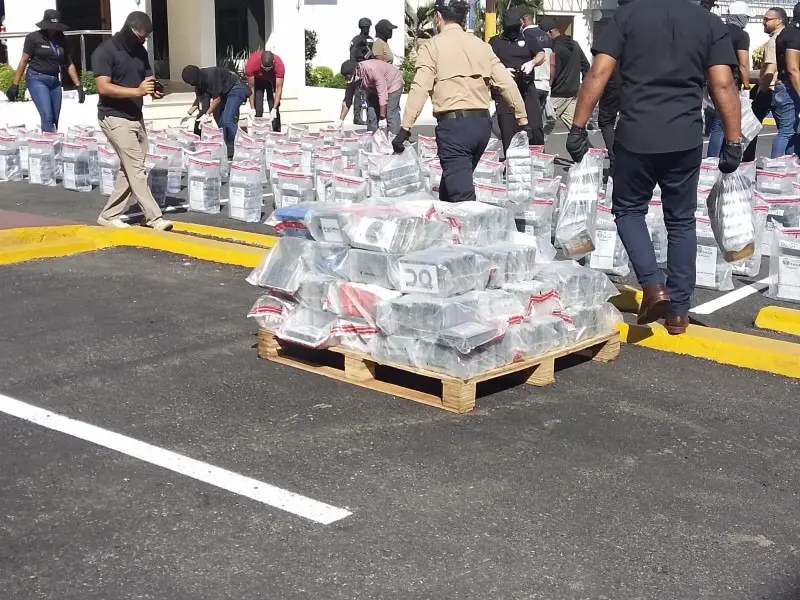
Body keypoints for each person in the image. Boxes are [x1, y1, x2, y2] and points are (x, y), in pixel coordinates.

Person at [565, 0, 742, 335]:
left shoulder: (628, 16)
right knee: (681, 221)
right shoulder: (707, 22)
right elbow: (722, 84)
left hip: (636, 134)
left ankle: (652, 284)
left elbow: (599, 72)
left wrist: (577, 127)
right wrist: (733, 140)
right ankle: (678, 312)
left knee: (629, 210)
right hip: (685, 137)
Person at [394, 0, 528, 203]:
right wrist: (522, 119)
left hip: (454, 128)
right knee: (452, 184)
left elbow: (419, 88)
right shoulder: (482, 46)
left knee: (462, 197)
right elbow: (507, 84)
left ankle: (472, 223)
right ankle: (446, 219)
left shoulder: (432, 46)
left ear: (438, 16)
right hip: (482, 127)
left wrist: (405, 128)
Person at [91, 11, 172, 230]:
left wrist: (154, 88)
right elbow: (103, 87)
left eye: (146, 37)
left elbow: (148, 77)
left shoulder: (140, 51)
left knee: (130, 169)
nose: (143, 41)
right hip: (113, 116)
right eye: (141, 36)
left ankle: (109, 215)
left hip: (136, 116)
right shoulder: (104, 51)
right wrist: (137, 91)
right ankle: (153, 217)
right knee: (136, 168)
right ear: (129, 30)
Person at [6, 9, 85, 132]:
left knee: (54, 118)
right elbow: (23, 61)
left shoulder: (61, 39)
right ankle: (48, 143)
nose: (53, 30)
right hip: (37, 78)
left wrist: (78, 85)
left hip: (54, 81)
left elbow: (69, 63)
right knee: (47, 116)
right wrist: (15, 84)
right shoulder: (33, 38)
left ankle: (50, 139)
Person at [489, 7, 546, 152]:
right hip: (504, 92)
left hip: (526, 88)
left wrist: (532, 63)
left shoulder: (528, 38)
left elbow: (541, 54)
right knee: (508, 130)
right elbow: (486, 63)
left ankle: (538, 155)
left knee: (535, 127)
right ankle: (511, 158)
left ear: (521, 24)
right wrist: (502, 72)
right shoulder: (495, 42)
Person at [707, 1, 750, 159]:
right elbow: (743, 63)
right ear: (741, 17)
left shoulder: (718, 30)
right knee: (723, 122)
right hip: (729, 82)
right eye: (746, 17)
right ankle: (715, 159)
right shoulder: (741, 35)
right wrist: (746, 86)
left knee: (717, 122)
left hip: (711, 79)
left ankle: (712, 158)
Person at [180, 65, 251, 158]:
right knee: (221, 122)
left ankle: (244, 145)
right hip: (224, 92)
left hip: (235, 88)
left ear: (195, 77)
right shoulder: (199, 83)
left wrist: (207, 115)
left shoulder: (211, 76)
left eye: (191, 82)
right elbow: (200, 100)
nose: (191, 85)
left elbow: (217, 99)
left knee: (227, 120)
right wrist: (189, 113)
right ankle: (229, 148)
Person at [746, 7, 787, 161]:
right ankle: (786, 161)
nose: (764, 22)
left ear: (779, 21)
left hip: (769, 89)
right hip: (780, 88)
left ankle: (747, 160)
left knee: (751, 128)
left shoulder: (773, 41)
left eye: (767, 19)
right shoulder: (787, 38)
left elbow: (771, 68)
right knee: (786, 129)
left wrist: (761, 90)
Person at [541, 20, 590, 129]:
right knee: (576, 128)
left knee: (543, 127)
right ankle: (583, 140)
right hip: (572, 92)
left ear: (550, 32)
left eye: (543, 35)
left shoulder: (554, 47)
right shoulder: (575, 44)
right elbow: (586, 66)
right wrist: (583, 87)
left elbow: (552, 70)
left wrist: (548, 85)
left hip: (556, 93)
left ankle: (536, 142)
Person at [336, 59, 403, 134]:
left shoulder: (373, 70)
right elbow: (347, 100)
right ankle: (373, 138)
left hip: (392, 83)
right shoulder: (352, 78)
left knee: (390, 114)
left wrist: (382, 118)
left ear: (357, 69)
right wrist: (340, 121)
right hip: (373, 89)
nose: (349, 79)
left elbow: (383, 96)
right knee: (371, 115)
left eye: (350, 76)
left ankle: (394, 138)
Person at [518, 8, 556, 137]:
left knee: (528, 124)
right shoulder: (547, 36)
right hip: (545, 84)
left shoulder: (524, 36)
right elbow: (553, 63)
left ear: (522, 20)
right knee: (539, 123)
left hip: (531, 85)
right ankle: (539, 146)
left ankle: (530, 147)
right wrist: (549, 83)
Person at [772, 4, 800, 157]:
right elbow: (792, 69)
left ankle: (790, 164)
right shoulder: (794, 34)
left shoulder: (788, 32)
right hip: (790, 88)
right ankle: (774, 166)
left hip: (788, 86)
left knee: (793, 131)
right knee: (787, 131)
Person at [243, 49, 284, 132]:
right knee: (258, 108)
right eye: (264, 67)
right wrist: (252, 108)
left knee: (274, 108)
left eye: (269, 68)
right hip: (258, 80)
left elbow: (278, 89)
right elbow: (251, 87)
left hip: (272, 80)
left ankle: (276, 131)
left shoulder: (279, 65)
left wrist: (274, 108)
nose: (267, 70)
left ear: (273, 62)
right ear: (260, 62)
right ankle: (258, 131)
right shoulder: (251, 64)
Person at [349, 18, 374, 126]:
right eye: (364, 27)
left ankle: (370, 116)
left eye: (368, 27)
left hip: (369, 68)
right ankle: (357, 117)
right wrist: (355, 69)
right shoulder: (356, 40)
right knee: (358, 93)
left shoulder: (371, 40)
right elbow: (352, 55)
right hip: (359, 67)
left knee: (370, 93)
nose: (367, 29)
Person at [598, 66, 621, 178]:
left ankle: (615, 161)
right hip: (634, 83)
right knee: (632, 118)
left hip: (614, 84)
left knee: (606, 121)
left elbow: (599, 71)